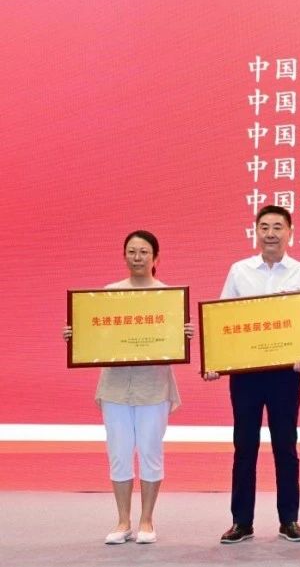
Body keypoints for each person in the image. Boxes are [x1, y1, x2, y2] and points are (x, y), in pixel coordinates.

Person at [63, 230, 193, 545]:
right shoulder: (109, 294)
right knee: (119, 453)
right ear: (124, 256)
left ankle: (147, 520)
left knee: (150, 451)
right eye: (132, 251)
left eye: (144, 252)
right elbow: (96, 335)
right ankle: (123, 521)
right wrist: (76, 335)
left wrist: (184, 333)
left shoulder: (169, 296)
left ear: (156, 257)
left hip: (154, 386)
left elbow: (172, 340)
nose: (137, 257)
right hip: (115, 387)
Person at [204, 205, 300, 544]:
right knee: (245, 446)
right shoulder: (239, 271)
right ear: (255, 232)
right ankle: (241, 521)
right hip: (246, 374)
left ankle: (290, 520)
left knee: (286, 446)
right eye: (264, 227)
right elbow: (223, 319)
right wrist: (216, 360)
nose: (271, 233)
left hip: (285, 374)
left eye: (278, 227)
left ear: (290, 232)